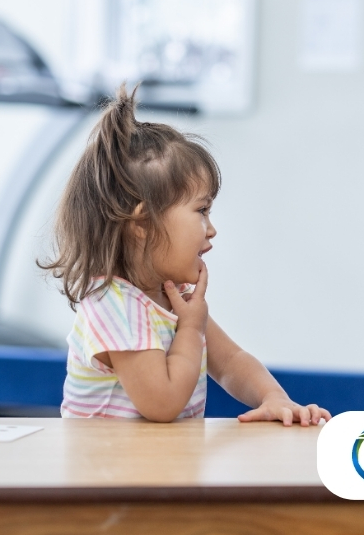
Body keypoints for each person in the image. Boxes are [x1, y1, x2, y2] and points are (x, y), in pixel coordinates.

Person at [41, 85, 330, 426]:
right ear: (143, 224)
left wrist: (274, 398)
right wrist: (191, 330)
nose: (211, 229)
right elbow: (162, 403)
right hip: (106, 476)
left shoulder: (171, 299)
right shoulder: (114, 304)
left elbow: (233, 361)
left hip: (156, 470)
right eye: (202, 211)